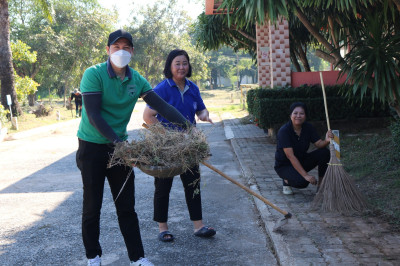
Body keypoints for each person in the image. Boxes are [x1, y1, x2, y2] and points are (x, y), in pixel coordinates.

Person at [76, 29, 189, 266]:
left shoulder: (136, 80)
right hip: (92, 148)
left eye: (126, 47)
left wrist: (189, 127)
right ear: (107, 50)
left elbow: (162, 107)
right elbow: (95, 115)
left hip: (120, 148)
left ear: (132, 52)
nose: (121, 51)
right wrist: (119, 145)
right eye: (116, 47)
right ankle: (93, 257)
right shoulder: (93, 74)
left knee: (126, 206)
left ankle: (137, 258)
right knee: (92, 205)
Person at [143, 49, 216, 243]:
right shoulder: (161, 89)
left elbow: (200, 109)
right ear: (170, 66)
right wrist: (167, 138)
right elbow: (148, 117)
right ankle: (162, 228)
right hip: (167, 147)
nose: (182, 67)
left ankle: (198, 226)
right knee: (163, 186)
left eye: (185, 63)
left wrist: (204, 115)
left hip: (189, 145)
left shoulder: (193, 88)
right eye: (177, 63)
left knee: (193, 184)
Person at [274, 102, 334, 195]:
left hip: (301, 160)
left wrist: (326, 140)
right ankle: (286, 180)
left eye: (302, 113)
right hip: (285, 165)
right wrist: (306, 176)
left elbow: (318, 144)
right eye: (295, 113)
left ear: (305, 116)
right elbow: (290, 156)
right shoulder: (284, 131)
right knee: (302, 182)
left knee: (324, 152)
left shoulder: (308, 127)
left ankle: (321, 186)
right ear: (290, 115)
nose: (298, 116)